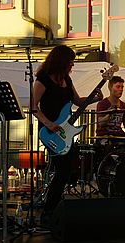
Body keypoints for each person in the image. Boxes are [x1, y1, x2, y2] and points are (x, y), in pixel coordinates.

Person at [32, 45, 103, 226]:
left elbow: (78, 101)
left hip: (64, 131)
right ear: (61, 62)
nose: (72, 66)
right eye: (70, 62)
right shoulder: (43, 80)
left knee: (66, 171)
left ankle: (52, 209)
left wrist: (95, 98)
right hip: (49, 132)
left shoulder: (67, 80)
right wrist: (49, 123)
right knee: (62, 171)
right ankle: (47, 212)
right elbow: (33, 107)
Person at [96, 75, 125, 140]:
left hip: (119, 136)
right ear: (110, 88)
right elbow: (100, 122)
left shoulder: (123, 105)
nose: (121, 89)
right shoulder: (102, 104)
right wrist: (109, 114)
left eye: (122, 87)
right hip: (105, 137)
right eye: (118, 87)